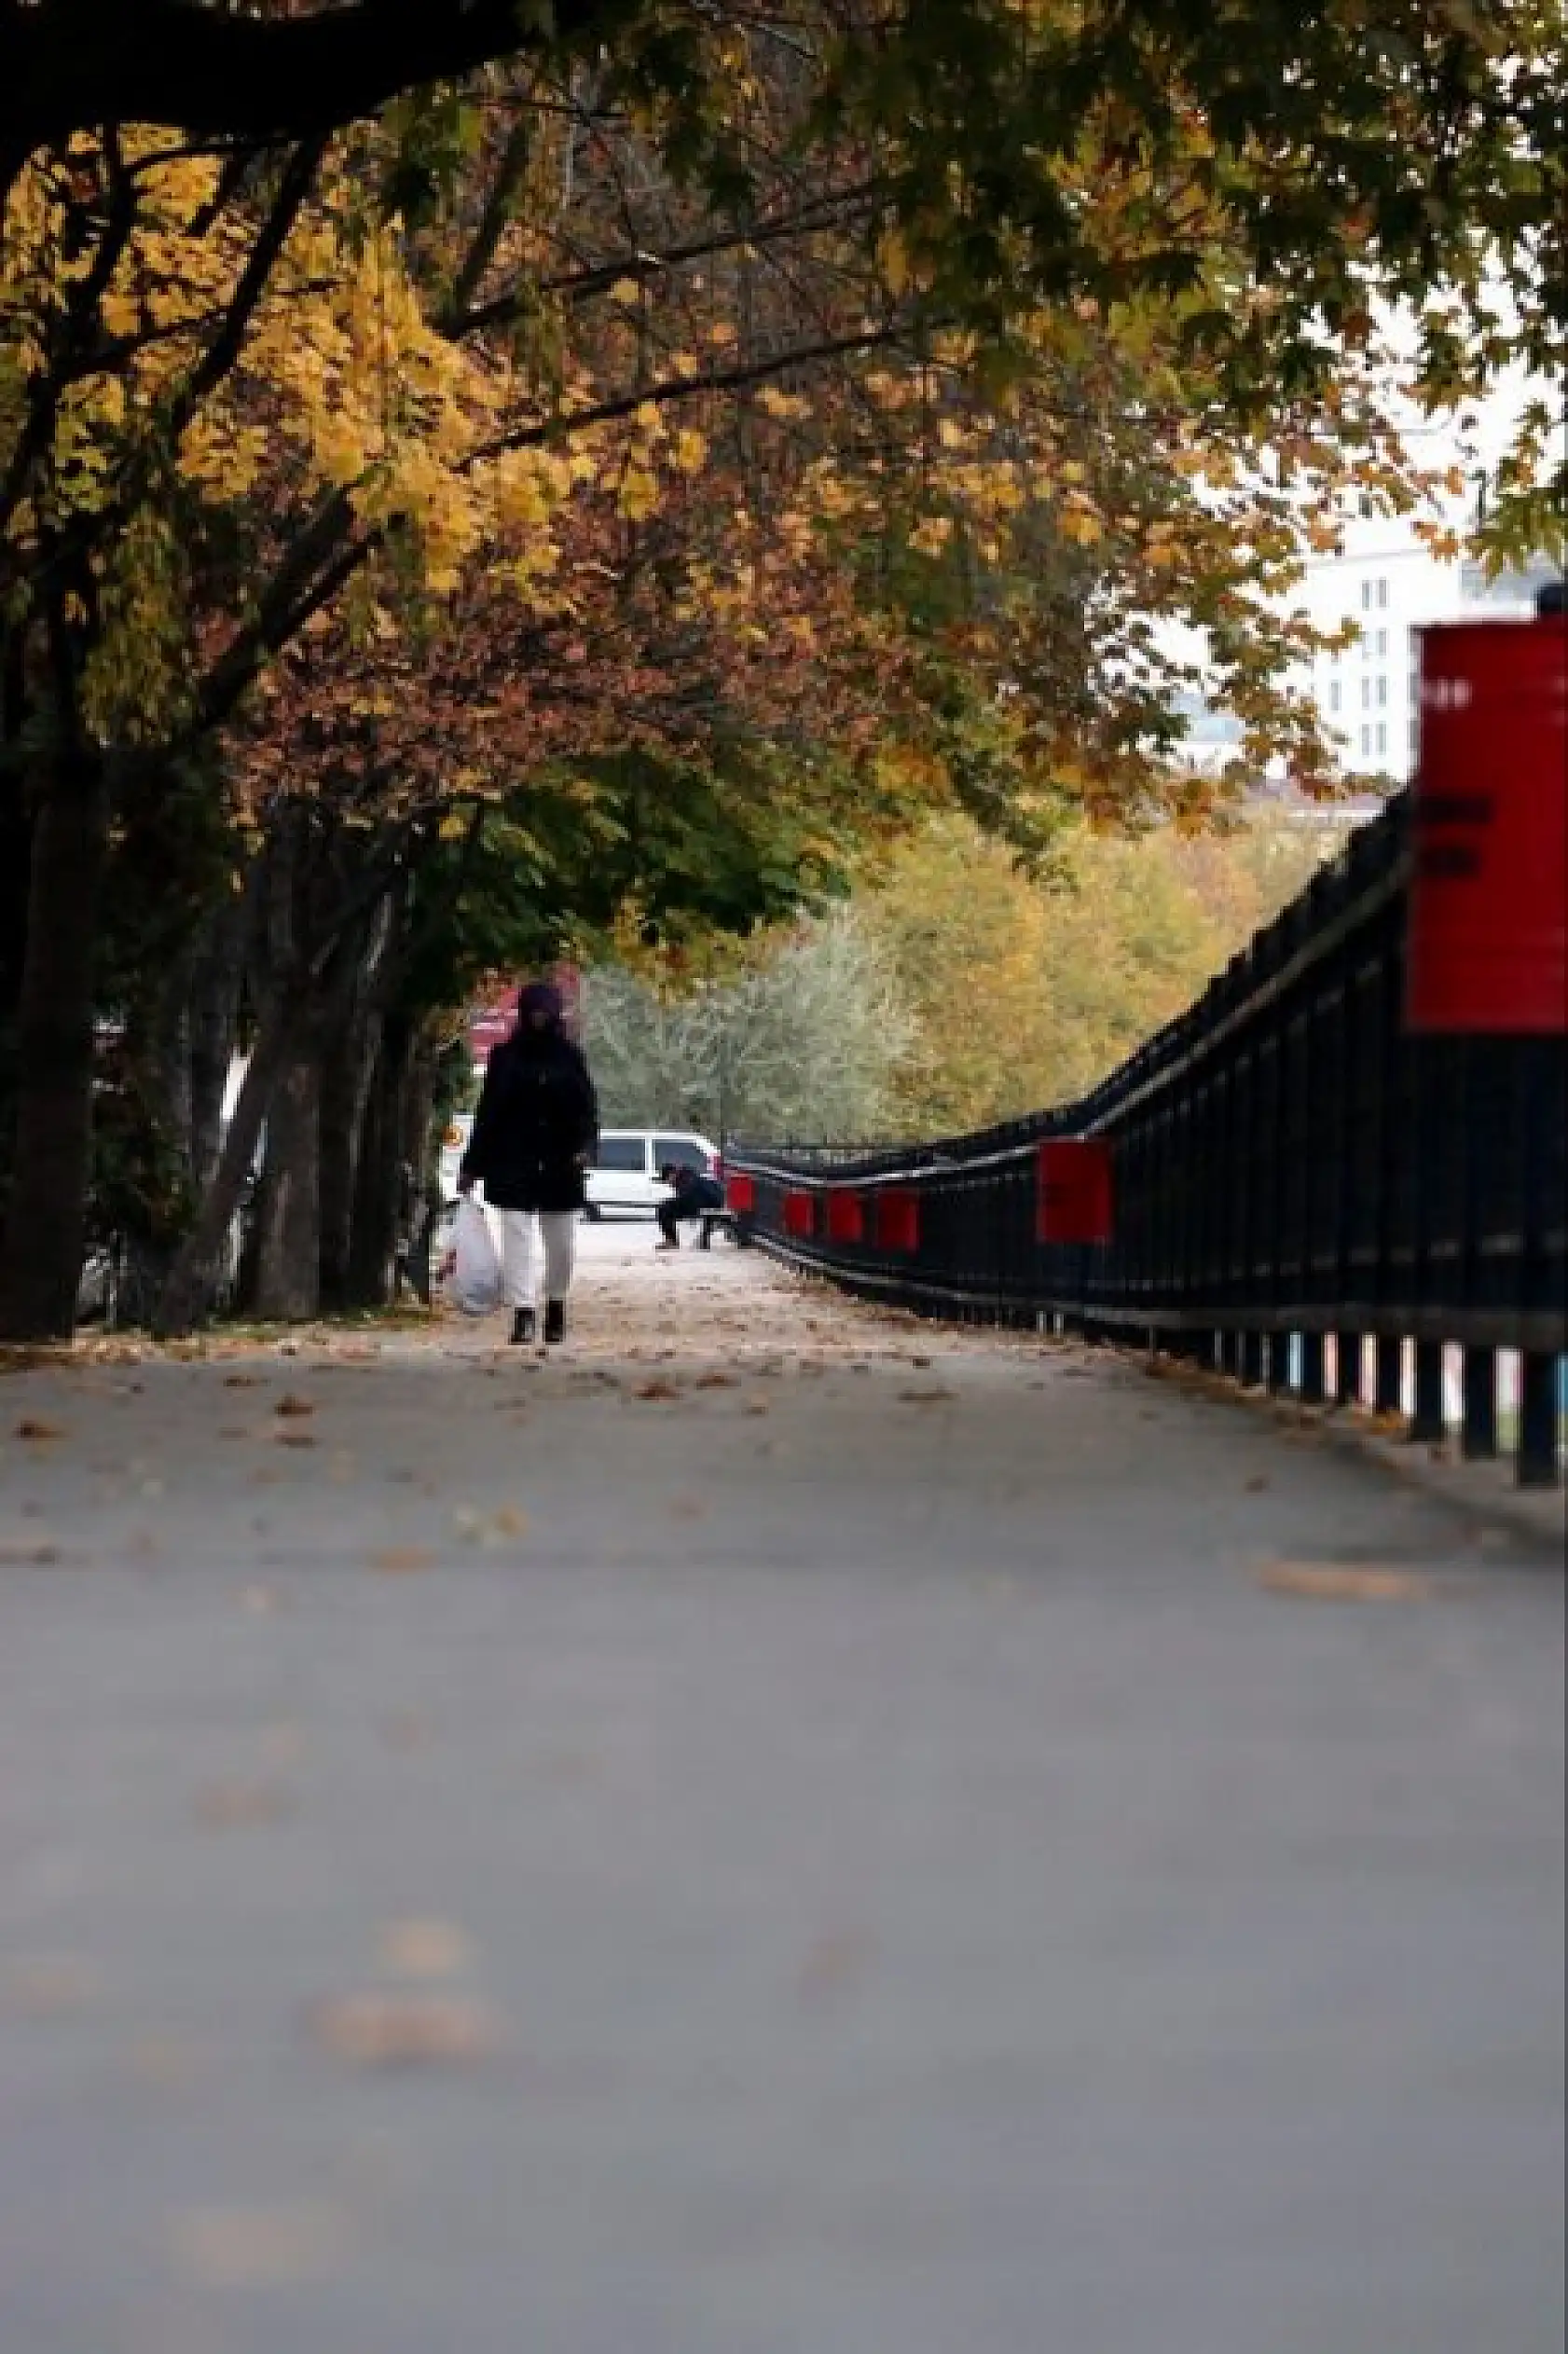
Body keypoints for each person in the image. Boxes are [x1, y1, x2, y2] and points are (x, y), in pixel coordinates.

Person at [457, 981, 598, 1344]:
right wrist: (472, 1166)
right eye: (532, 1011)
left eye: (544, 1012)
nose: (538, 1018)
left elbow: (587, 1110)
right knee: (516, 1236)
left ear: (554, 1014)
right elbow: (487, 1114)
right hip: (512, 1160)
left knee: (561, 1243)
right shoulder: (505, 1057)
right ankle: (523, 1311)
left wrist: (585, 1147)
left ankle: (555, 1302)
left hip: (560, 1161)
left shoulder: (570, 1057)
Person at [654, 1160, 724, 1250]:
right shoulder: (686, 1175)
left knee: (664, 1209)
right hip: (709, 1202)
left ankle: (671, 1241)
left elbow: (688, 1196)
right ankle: (672, 1240)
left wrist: (673, 1202)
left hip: (703, 1203)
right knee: (667, 1207)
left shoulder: (685, 1178)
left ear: (672, 1174)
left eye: (667, 1180)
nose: (669, 1184)